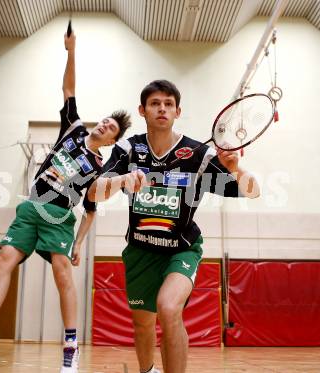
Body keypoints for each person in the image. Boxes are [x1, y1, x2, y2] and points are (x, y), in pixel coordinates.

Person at [0, 31, 131, 373]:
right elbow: (68, 88)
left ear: (110, 141)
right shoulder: (74, 128)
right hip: (31, 207)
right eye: (106, 119)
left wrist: (79, 244)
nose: (106, 123)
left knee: (63, 275)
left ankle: (70, 346)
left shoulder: (99, 168)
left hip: (60, 217)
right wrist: (72, 50)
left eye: (111, 128)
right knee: (4, 259)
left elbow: (91, 211)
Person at [88, 80, 260, 373]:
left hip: (181, 249)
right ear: (143, 110)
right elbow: (93, 192)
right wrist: (122, 180)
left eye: (168, 104)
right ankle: (147, 370)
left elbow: (252, 191)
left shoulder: (199, 155)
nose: (162, 109)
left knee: (168, 309)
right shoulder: (129, 148)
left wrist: (236, 168)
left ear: (178, 111)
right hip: (140, 250)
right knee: (143, 324)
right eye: (155, 103)